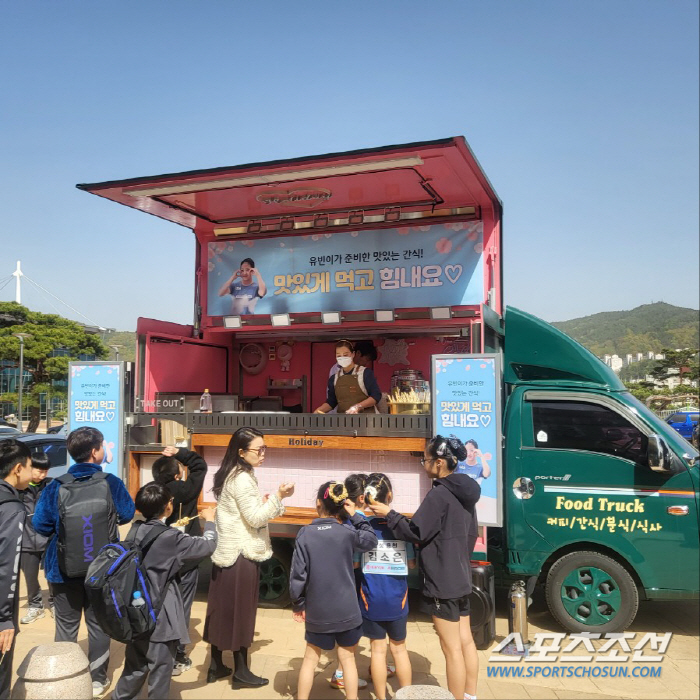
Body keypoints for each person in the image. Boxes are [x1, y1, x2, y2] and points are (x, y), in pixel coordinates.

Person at [368, 435, 481, 700]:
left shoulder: (440, 493)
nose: (424, 464)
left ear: (440, 463)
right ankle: (471, 695)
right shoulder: (467, 491)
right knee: (466, 641)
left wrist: (388, 513)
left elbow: (415, 531)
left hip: (443, 579)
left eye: (426, 460)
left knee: (450, 647)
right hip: (461, 574)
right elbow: (471, 533)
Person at [33, 427, 135, 699]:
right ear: (94, 451)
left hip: (62, 570)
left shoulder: (56, 485)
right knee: (98, 625)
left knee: (66, 627)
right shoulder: (110, 482)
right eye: (102, 446)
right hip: (102, 571)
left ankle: (65, 679)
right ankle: (97, 680)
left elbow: (40, 525)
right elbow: (126, 513)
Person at [203, 427, 294, 689]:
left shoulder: (231, 472)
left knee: (221, 611)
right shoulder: (242, 478)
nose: (263, 453)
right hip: (241, 554)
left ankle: (216, 665)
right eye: (259, 449)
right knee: (242, 614)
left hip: (227, 553)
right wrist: (278, 497)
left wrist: (264, 502)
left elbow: (246, 511)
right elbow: (255, 518)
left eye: (265, 448)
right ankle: (241, 673)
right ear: (242, 452)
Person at [112, 483, 217, 700]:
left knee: (134, 667)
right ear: (168, 506)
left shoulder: (135, 530)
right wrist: (211, 522)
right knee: (160, 670)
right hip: (159, 614)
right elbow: (208, 546)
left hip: (135, 610)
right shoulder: (170, 537)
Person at [290, 481, 378, 700]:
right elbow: (371, 541)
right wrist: (356, 515)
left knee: (310, 659)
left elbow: (298, 575)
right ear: (342, 505)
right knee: (348, 659)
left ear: (319, 503)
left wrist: (298, 604)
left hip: (318, 609)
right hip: (347, 609)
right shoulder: (348, 533)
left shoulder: (305, 534)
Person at [151, 445, 207, 676]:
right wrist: (180, 453)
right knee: (183, 605)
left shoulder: (152, 493)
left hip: (160, 560)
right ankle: (178, 655)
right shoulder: (187, 489)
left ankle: (156, 649)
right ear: (177, 475)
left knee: (159, 603)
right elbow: (200, 465)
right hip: (186, 558)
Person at [358, 473, 415, 700]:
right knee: (399, 649)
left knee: (377, 651)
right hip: (397, 599)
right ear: (390, 495)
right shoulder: (402, 527)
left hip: (370, 598)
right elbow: (411, 563)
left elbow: (354, 561)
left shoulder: (364, 528)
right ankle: (406, 696)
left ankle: (380, 697)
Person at [330, 473, 370, 692]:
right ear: (362, 497)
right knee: (352, 631)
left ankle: (339, 672)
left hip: (337, 580)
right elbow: (356, 561)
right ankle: (341, 674)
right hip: (354, 579)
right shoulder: (358, 517)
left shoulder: (338, 514)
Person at [0, 440, 33, 700]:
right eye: (31, 466)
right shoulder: (11, 508)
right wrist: (4, 619)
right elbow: (8, 565)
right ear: (18, 468)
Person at [19, 453, 54, 624]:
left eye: (45, 472)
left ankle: (54, 603)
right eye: (39, 471)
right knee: (30, 577)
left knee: (52, 575)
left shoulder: (51, 486)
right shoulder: (19, 488)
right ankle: (36, 606)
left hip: (48, 540)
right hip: (25, 541)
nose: (42, 475)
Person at [314, 340, 382, 415]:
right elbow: (331, 401)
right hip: (344, 421)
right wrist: (319, 410)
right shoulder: (334, 378)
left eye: (345, 355)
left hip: (366, 421)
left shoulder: (365, 373)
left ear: (353, 354)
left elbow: (376, 396)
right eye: (339, 356)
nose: (342, 358)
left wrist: (358, 407)